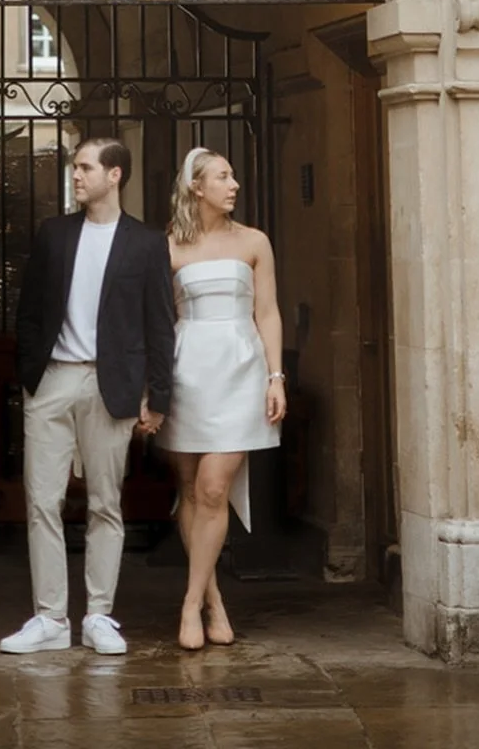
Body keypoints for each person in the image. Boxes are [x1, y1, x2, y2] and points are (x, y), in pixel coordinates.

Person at [2, 136, 176, 656]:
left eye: (85, 167)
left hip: (112, 386)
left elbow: (160, 325)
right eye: (75, 168)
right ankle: (50, 617)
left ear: (115, 174)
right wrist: (31, 375)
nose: (76, 176)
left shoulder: (146, 243)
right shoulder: (54, 234)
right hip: (53, 381)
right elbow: (29, 311)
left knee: (105, 504)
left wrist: (158, 397)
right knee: (41, 501)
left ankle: (99, 615)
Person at [155, 146, 286, 651]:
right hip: (188, 372)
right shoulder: (169, 246)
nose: (233, 185)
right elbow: (159, 319)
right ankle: (212, 599)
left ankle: (189, 605)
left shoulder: (254, 241)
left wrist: (275, 376)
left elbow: (268, 312)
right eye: (223, 177)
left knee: (213, 487)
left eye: (232, 176)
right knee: (189, 490)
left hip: (241, 372)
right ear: (197, 187)